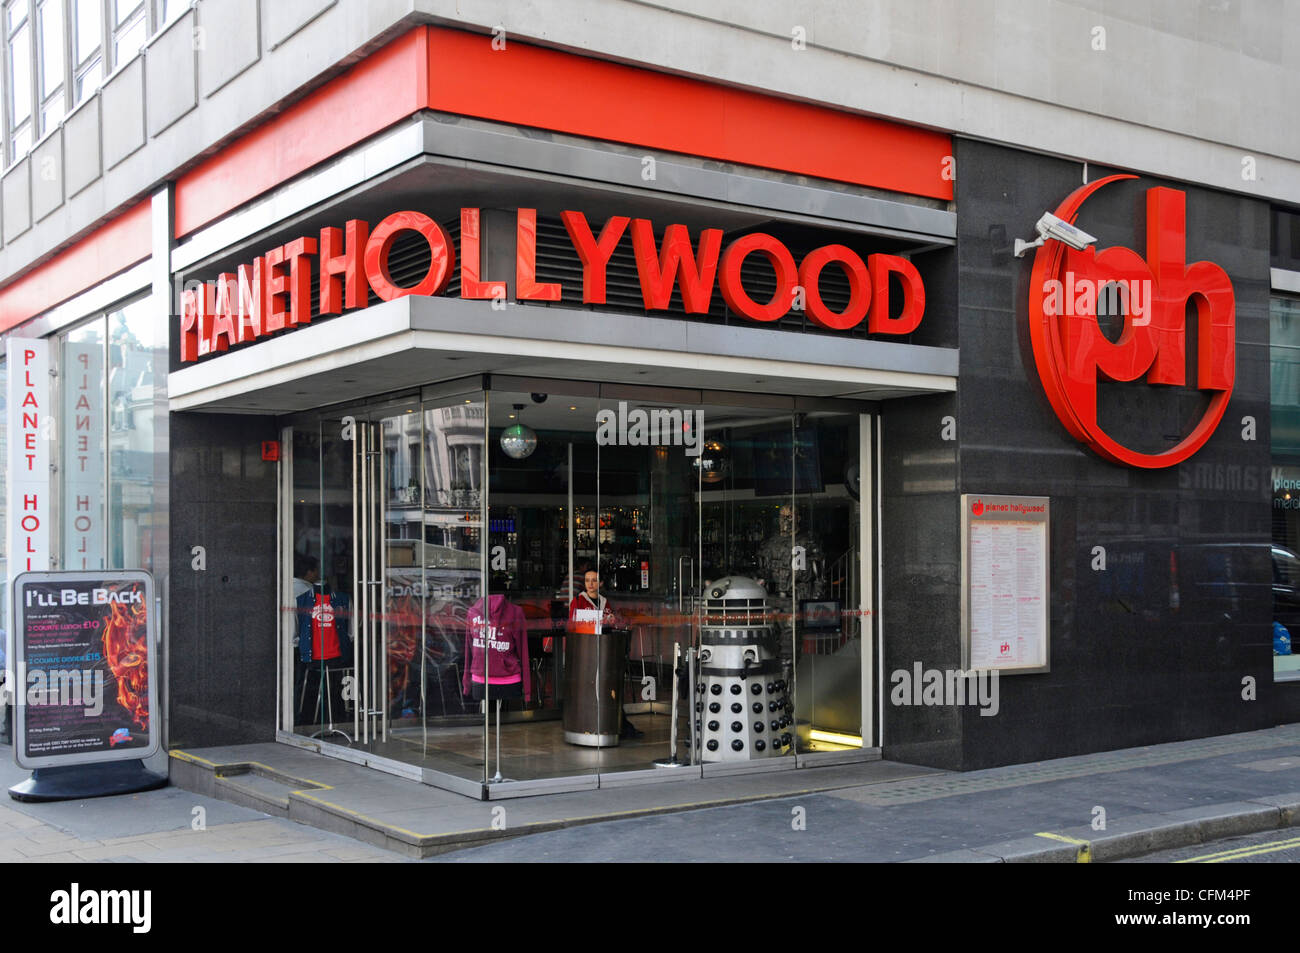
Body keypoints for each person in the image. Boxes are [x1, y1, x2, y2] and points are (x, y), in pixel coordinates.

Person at [569, 569, 642, 738]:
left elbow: (610, 621)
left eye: (594, 580)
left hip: (603, 648)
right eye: (588, 580)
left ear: (600, 583)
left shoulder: (604, 602)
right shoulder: (578, 601)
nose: (591, 583)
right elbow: (574, 623)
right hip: (586, 649)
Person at [463, 573, 531, 703]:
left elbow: (469, 651)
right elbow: (523, 652)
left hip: (484, 680)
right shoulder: (515, 612)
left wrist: (466, 683)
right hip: (503, 680)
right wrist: (527, 690)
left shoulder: (473, 612)